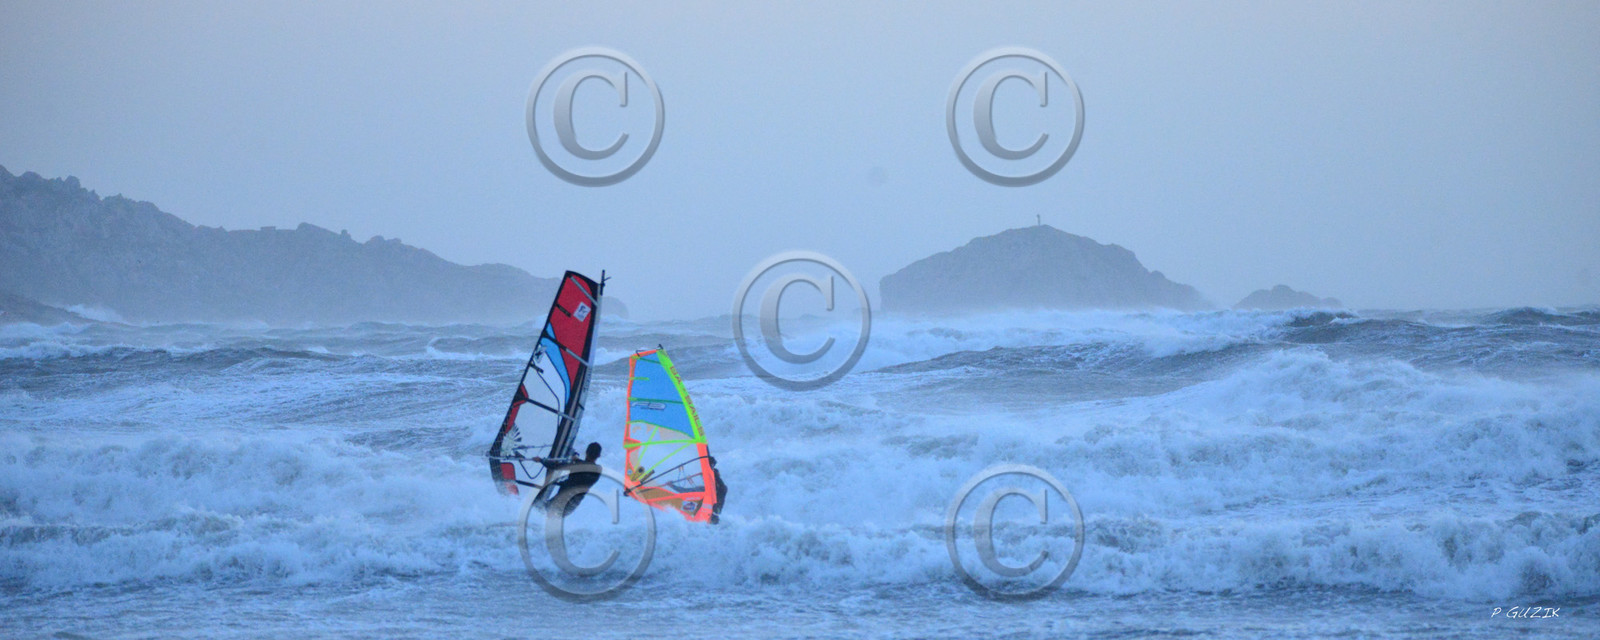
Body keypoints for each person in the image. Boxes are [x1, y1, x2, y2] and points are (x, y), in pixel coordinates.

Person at [532, 441, 602, 516]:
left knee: (536, 509)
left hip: (561, 502)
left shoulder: (578, 465)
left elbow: (557, 466)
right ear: (598, 456)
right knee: (545, 514)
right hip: (572, 506)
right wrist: (576, 460)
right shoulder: (598, 470)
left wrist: (541, 460)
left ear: (586, 452)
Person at [708, 456, 728, 525]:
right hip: (712, 506)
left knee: (723, 489)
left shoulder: (721, 489)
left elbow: (723, 488)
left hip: (715, 507)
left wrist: (715, 474)